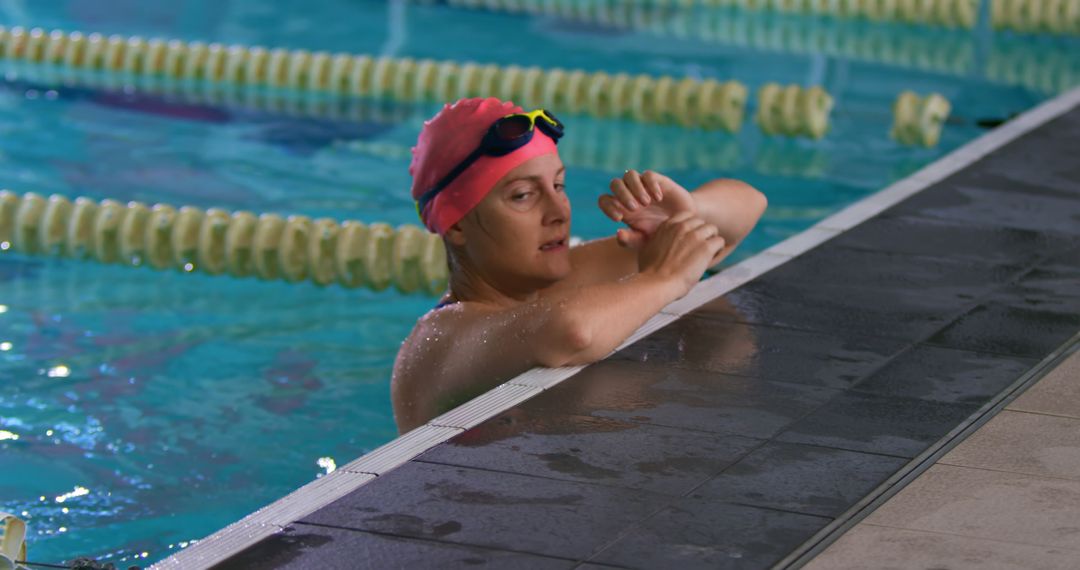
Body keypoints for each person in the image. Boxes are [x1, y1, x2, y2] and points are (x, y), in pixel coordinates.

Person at [391, 97, 767, 434]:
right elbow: (570, 332)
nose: (558, 212)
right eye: (523, 196)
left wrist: (688, 211)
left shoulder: (557, 283)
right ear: (456, 224)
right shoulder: (439, 342)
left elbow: (747, 207)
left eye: (559, 185)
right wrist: (663, 277)